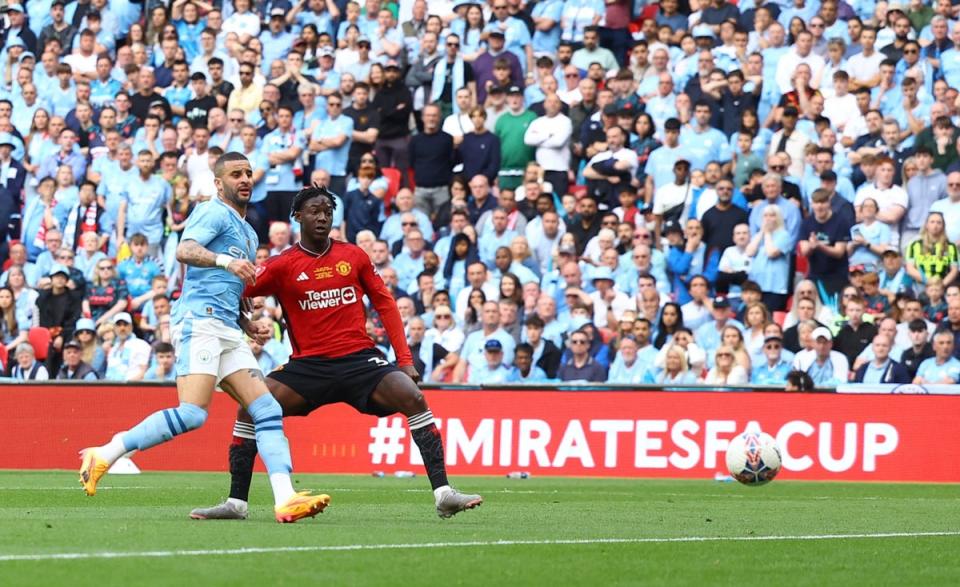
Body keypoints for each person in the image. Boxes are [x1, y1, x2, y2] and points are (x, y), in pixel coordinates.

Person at [190, 184, 482, 521]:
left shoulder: (353, 256)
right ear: (297, 216)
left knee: (413, 397)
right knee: (251, 407)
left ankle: (444, 494)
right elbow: (234, 288)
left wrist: (404, 360)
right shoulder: (284, 265)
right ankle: (236, 503)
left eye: (327, 212)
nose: (322, 217)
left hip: (360, 361)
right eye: (314, 211)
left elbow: (385, 303)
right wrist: (244, 321)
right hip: (309, 366)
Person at [78, 153, 330, 524]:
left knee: (267, 409)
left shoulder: (247, 230)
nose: (245, 179)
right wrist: (227, 263)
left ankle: (285, 497)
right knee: (193, 413)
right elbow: (185, 250)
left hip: (226, 326)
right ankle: (107, 452)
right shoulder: (212, 211)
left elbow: (227, 285)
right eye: (236, 174)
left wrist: (247, 323)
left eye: (248, 173)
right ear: (218, 182)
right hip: (199, 322)